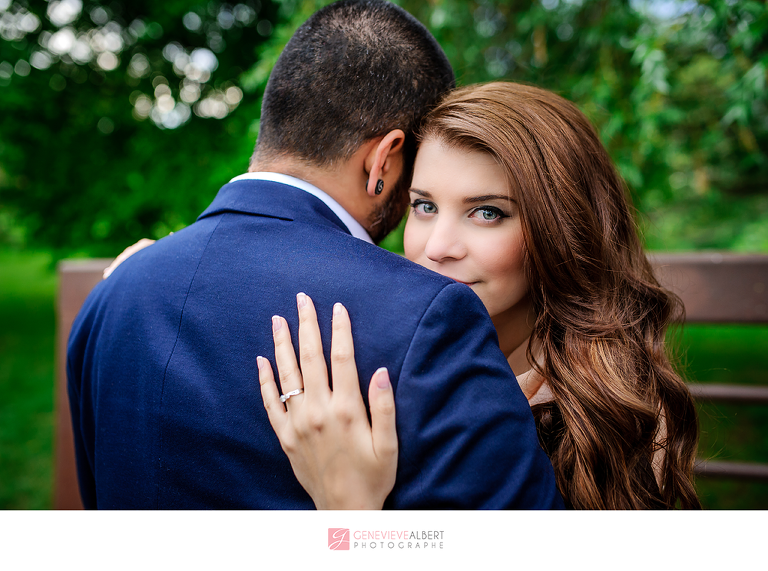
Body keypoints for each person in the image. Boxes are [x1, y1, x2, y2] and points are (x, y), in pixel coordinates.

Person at [67, 1, 562, 509]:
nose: (437, 245)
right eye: (422, 198)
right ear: (385, 161)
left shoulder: (111, 300)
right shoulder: (427, 320)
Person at [260, 82, 701, 509]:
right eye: (425, 206)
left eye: (487, 213)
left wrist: (351, 511)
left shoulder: (613, 406)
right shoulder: (385, 359)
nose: (437, 247)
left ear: (562, 228)